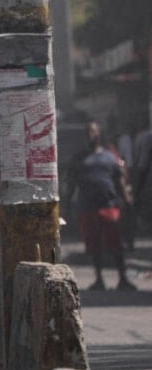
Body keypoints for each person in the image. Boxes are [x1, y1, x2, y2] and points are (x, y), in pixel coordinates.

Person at [65, 121, 136, 291]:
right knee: (94, 245)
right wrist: (66, 204)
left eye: (94, 131)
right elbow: (71, 184)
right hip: (88, 208)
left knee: (115, 243)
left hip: (109, 205)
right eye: (89, 132)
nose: (92, 135)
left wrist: (127, 200)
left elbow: (119, 181)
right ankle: (99, 279)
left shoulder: (109, 157)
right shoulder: (79, 159)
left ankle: (123, 278)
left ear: (100, 134)